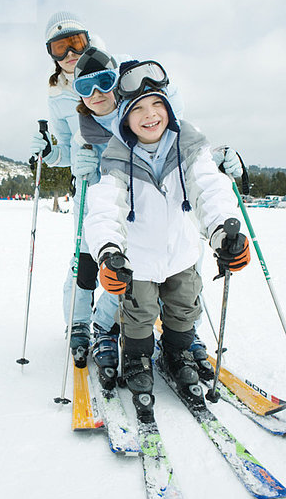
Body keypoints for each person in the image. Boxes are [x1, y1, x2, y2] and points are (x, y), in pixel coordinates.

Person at [83, 60, 250, 422]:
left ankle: (177, 355)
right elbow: (104, 209)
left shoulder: (189, 146)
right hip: (139, 261)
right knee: (139, 315)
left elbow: (210, 189)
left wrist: (224, 231)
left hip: (181, 255)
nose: (149, 115)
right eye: (138, 109)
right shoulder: (116, 158)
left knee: (183, 310)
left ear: (169, 108)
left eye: (157, 104)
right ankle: (138, 358)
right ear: (125, 118)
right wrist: (108, 251)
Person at [29, 12, 134, 368]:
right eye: (60, 47)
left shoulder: (110, 71)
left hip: (127, 181)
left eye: (75, 42)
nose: (70, 53)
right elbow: (64, 150)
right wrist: (49, 152)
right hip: (88, 184)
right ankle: (78, 324)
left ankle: (107, 321)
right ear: (52, 55)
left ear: (88, 39)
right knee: (85, 260)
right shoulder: (57, 94)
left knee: (123, 258)